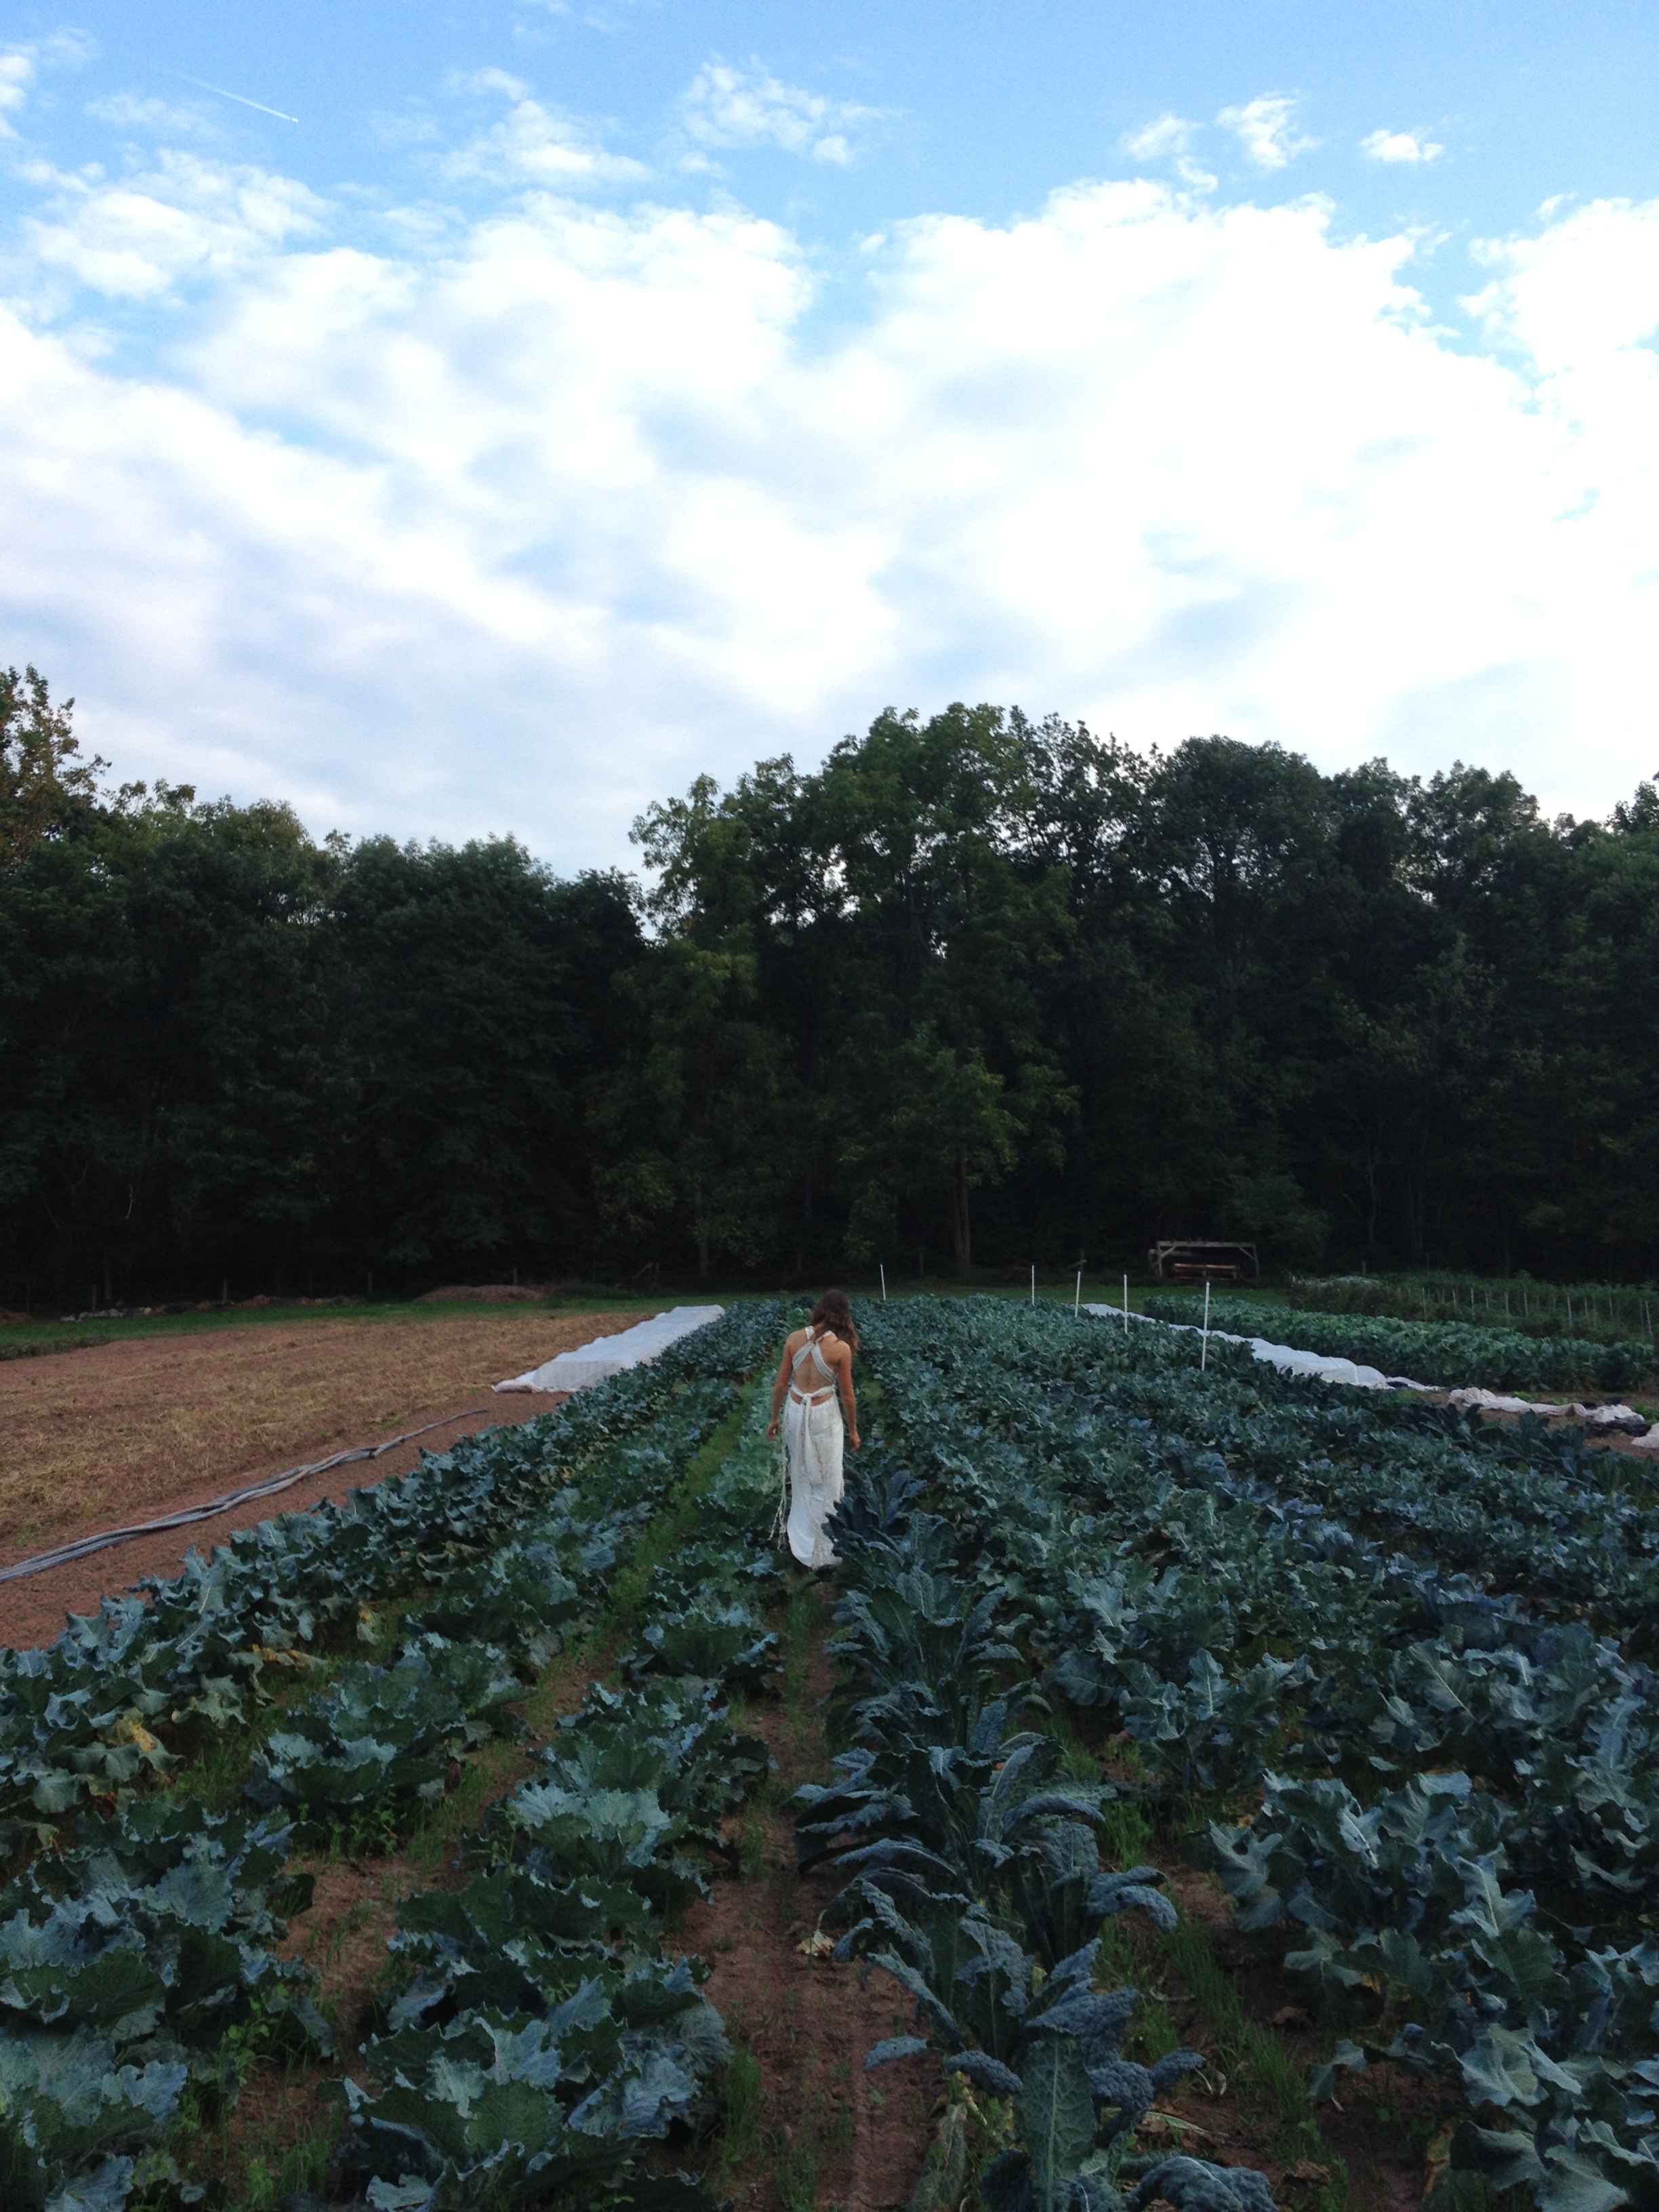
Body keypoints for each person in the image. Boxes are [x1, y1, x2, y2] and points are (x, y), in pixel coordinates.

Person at [766, 1290, 861, 1569]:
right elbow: (847, 1397)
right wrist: (853, 1430)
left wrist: (774, 1418)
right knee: (827, 1477)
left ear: (819, 1310)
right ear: (844, 1315)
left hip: (795, 1412)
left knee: (802, 1473)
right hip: (822, 1415)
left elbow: (781, 1385)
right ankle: (825, 1545)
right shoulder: (841, 1349)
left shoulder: (794, 1339)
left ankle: (803, 1540)